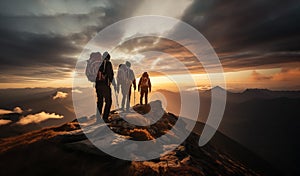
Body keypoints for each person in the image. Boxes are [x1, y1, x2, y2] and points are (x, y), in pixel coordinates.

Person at [95, 51, 115, 122]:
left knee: (100, 101)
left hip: (97, 85)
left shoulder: (97, 63)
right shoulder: (108, 63)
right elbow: (110, 75)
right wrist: (114, 84)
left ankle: (98, 118)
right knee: (108, 101)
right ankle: (105, 118)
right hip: (105, 85)